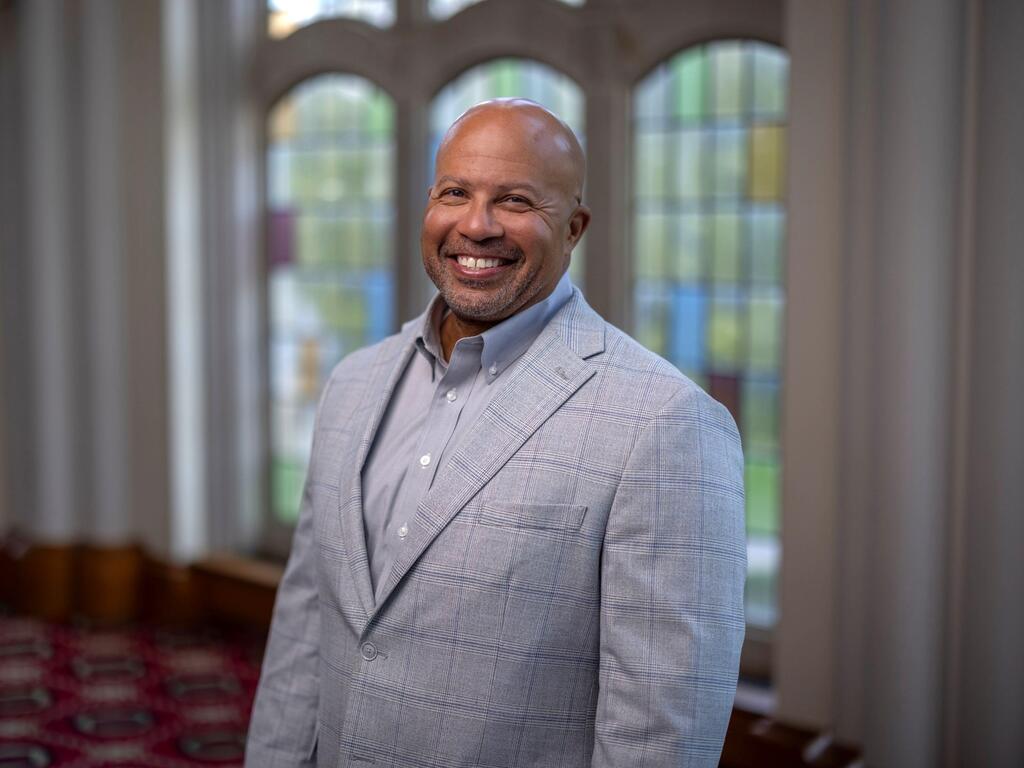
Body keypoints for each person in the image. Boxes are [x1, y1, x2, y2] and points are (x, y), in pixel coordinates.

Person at [245, 99, 746, 768]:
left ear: (574, 228)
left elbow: (661, 731)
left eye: (514, 201)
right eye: (455, 193)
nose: (475, 226)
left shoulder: (666, 424)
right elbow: (307, 625)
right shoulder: (353, 385)